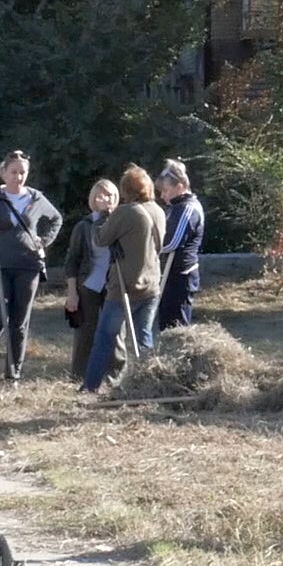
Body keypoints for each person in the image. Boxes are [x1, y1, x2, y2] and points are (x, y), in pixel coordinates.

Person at [0, 150, 64, 386]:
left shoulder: (36, 198)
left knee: (19, 323)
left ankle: (13, 374)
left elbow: (56, 219)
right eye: (14, 172)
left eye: (23, 172)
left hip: (28, 265)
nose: (18, 177)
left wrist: (43, 240)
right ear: (3, 173)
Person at [80, 166, 166, 393]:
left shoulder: (125, 212)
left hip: (125, 286)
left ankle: (90, 386)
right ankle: (146, 384)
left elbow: (100, 239)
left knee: (105, 337)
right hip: (151, 284)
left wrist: (102, 215)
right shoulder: (158, 210)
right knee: (143, 338)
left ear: (125, 190)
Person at [61, 179, 119, 382]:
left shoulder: (121, 222)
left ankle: (115, 375)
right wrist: (72, 292)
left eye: (110, 195)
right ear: (93, 198)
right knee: (86, 331)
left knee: (115, 331)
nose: (106, 199)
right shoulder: (83, 226)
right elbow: (72, 261)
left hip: (113, 284)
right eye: (100, 195)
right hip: (89, 284)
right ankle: (79, 376)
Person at [154, 158, 206, 331]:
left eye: (166, 191)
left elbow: (171, 242)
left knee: (178, 326)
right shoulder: (176, 207)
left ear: (180, 187)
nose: (163, 196)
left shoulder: (188, 209)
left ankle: (180, 358)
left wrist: (150, 248)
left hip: (181, 276)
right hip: (169, 275)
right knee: (166, 323)